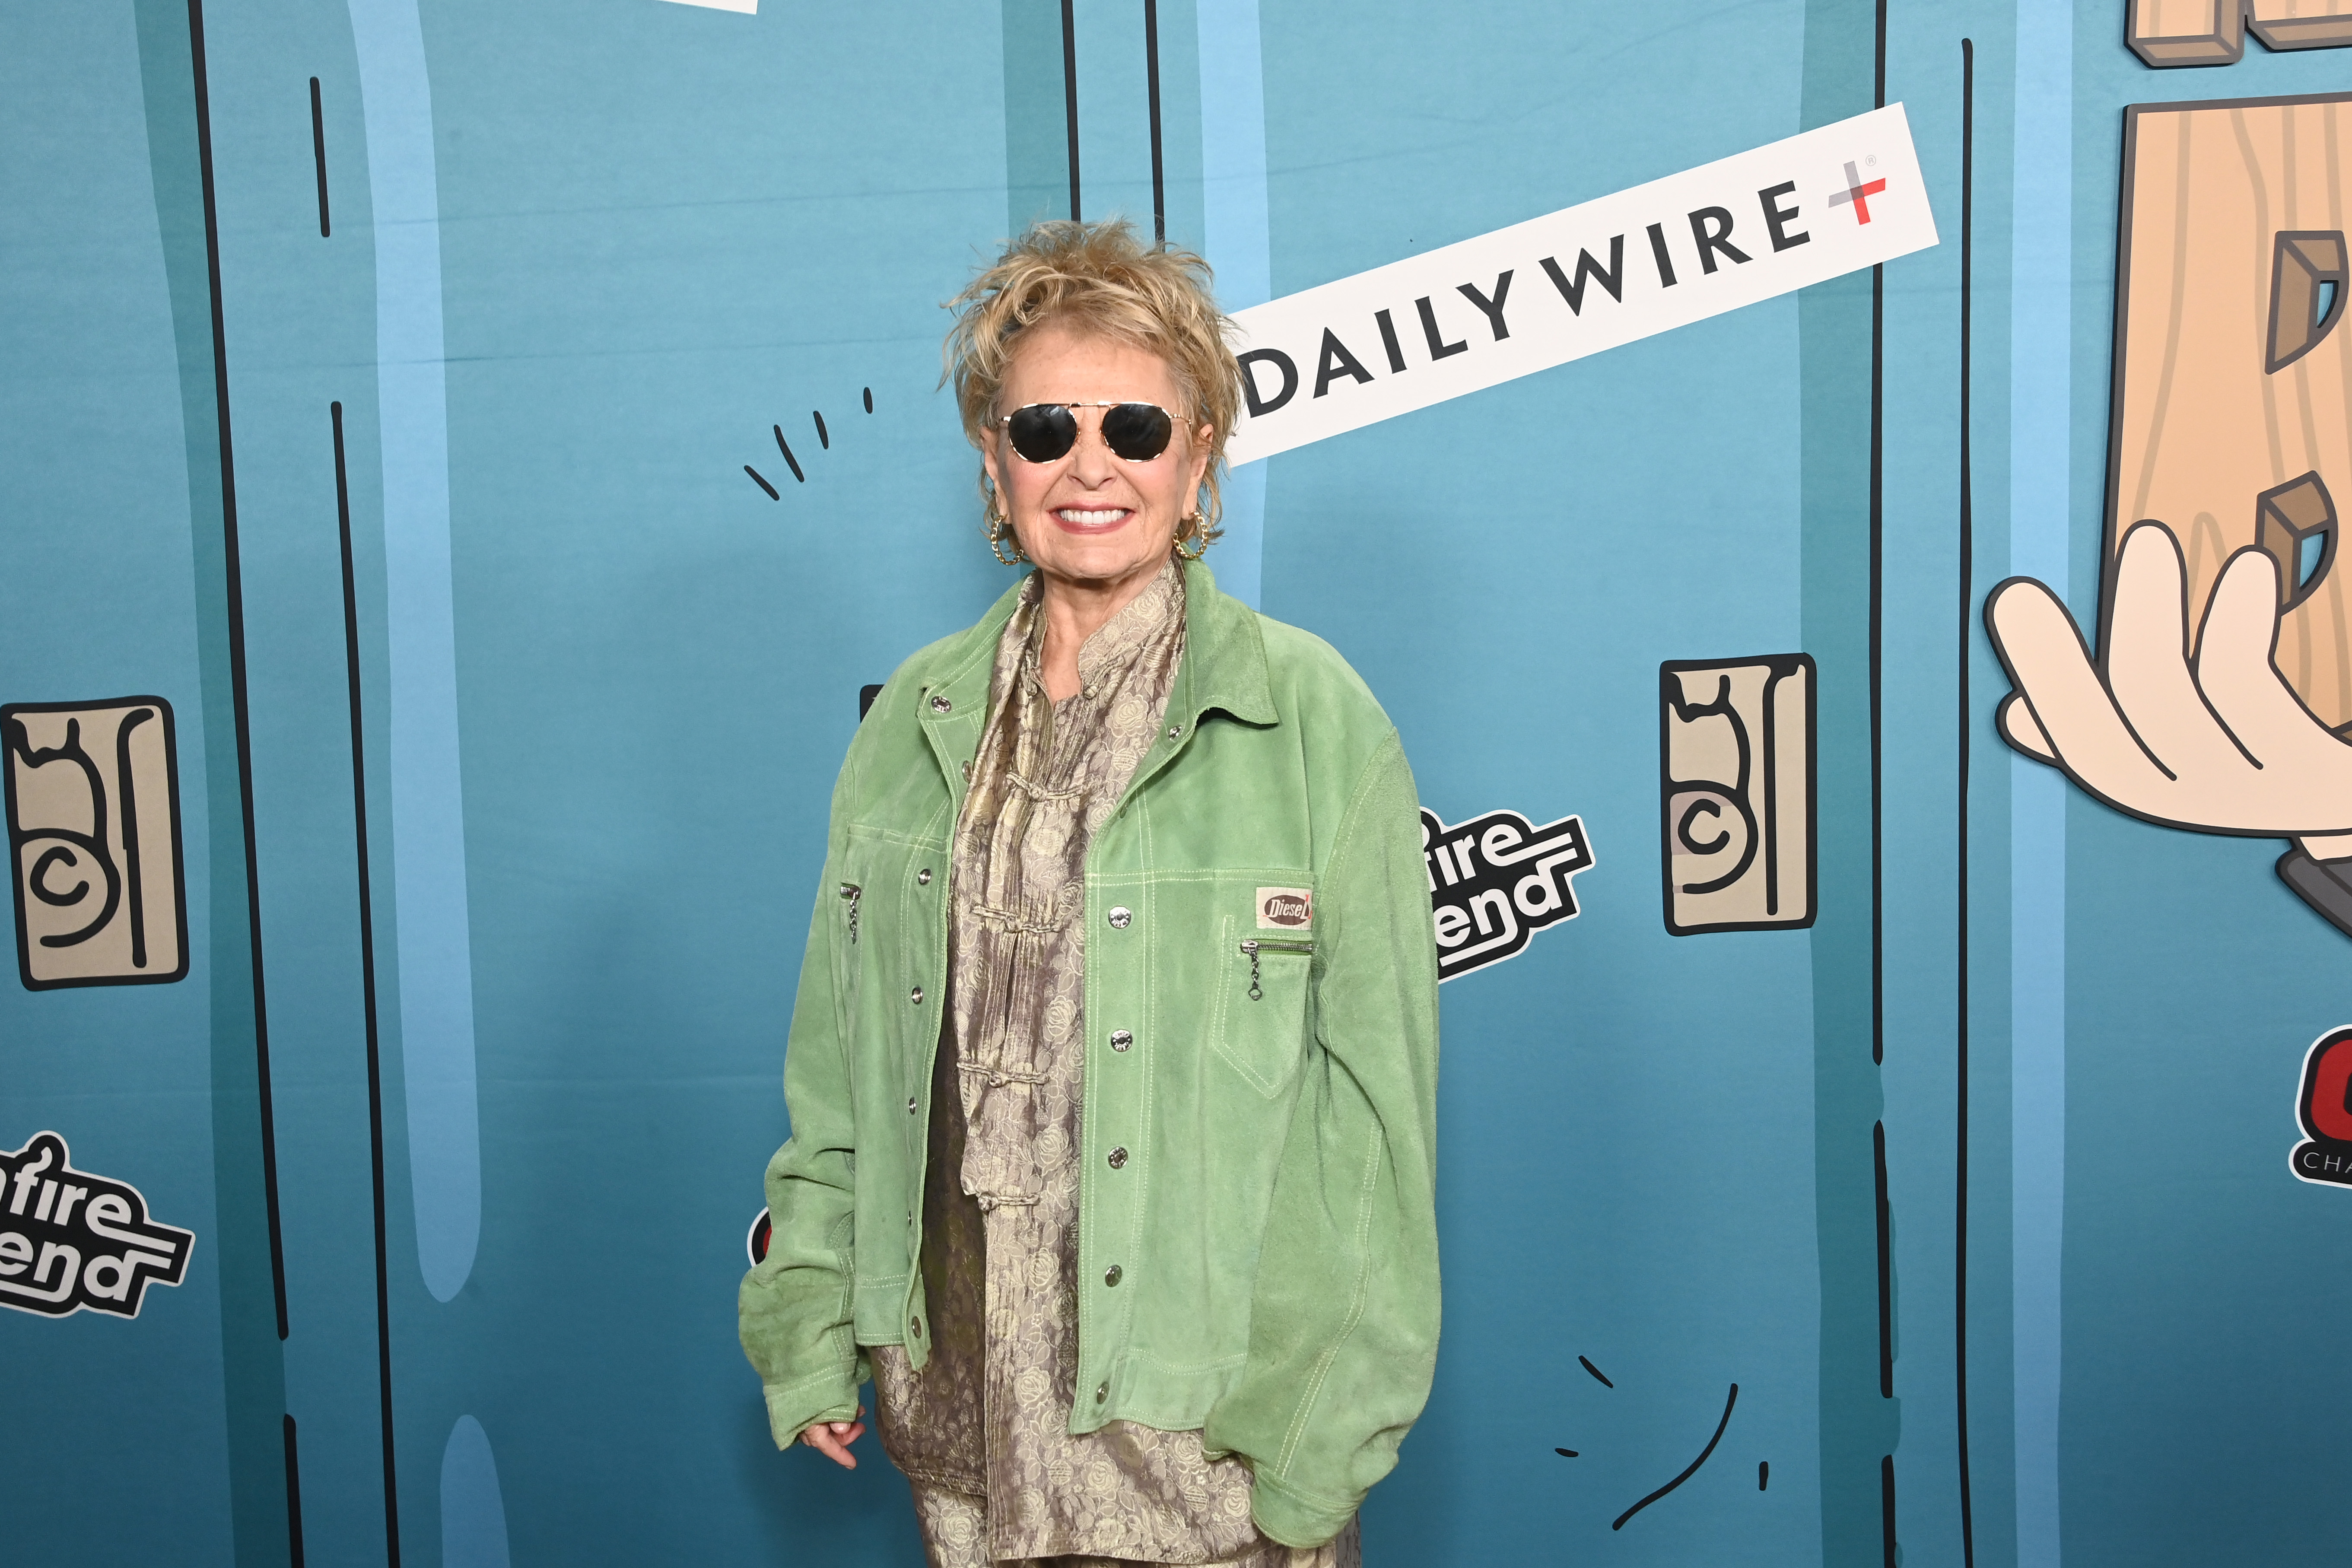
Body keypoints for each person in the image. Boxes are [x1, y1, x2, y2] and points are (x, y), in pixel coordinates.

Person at [738, 218, 1439, 1568]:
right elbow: (843, 1070)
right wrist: (813, 1318)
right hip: (970, 1437)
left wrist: (1315, 1439)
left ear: (1199, 459)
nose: (1091, 464)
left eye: (1135, 424)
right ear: (993, 466)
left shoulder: (1310, 720)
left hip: (1215, 1445)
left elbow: (1378, 1122)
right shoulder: (915, 724)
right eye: (1046, 428)